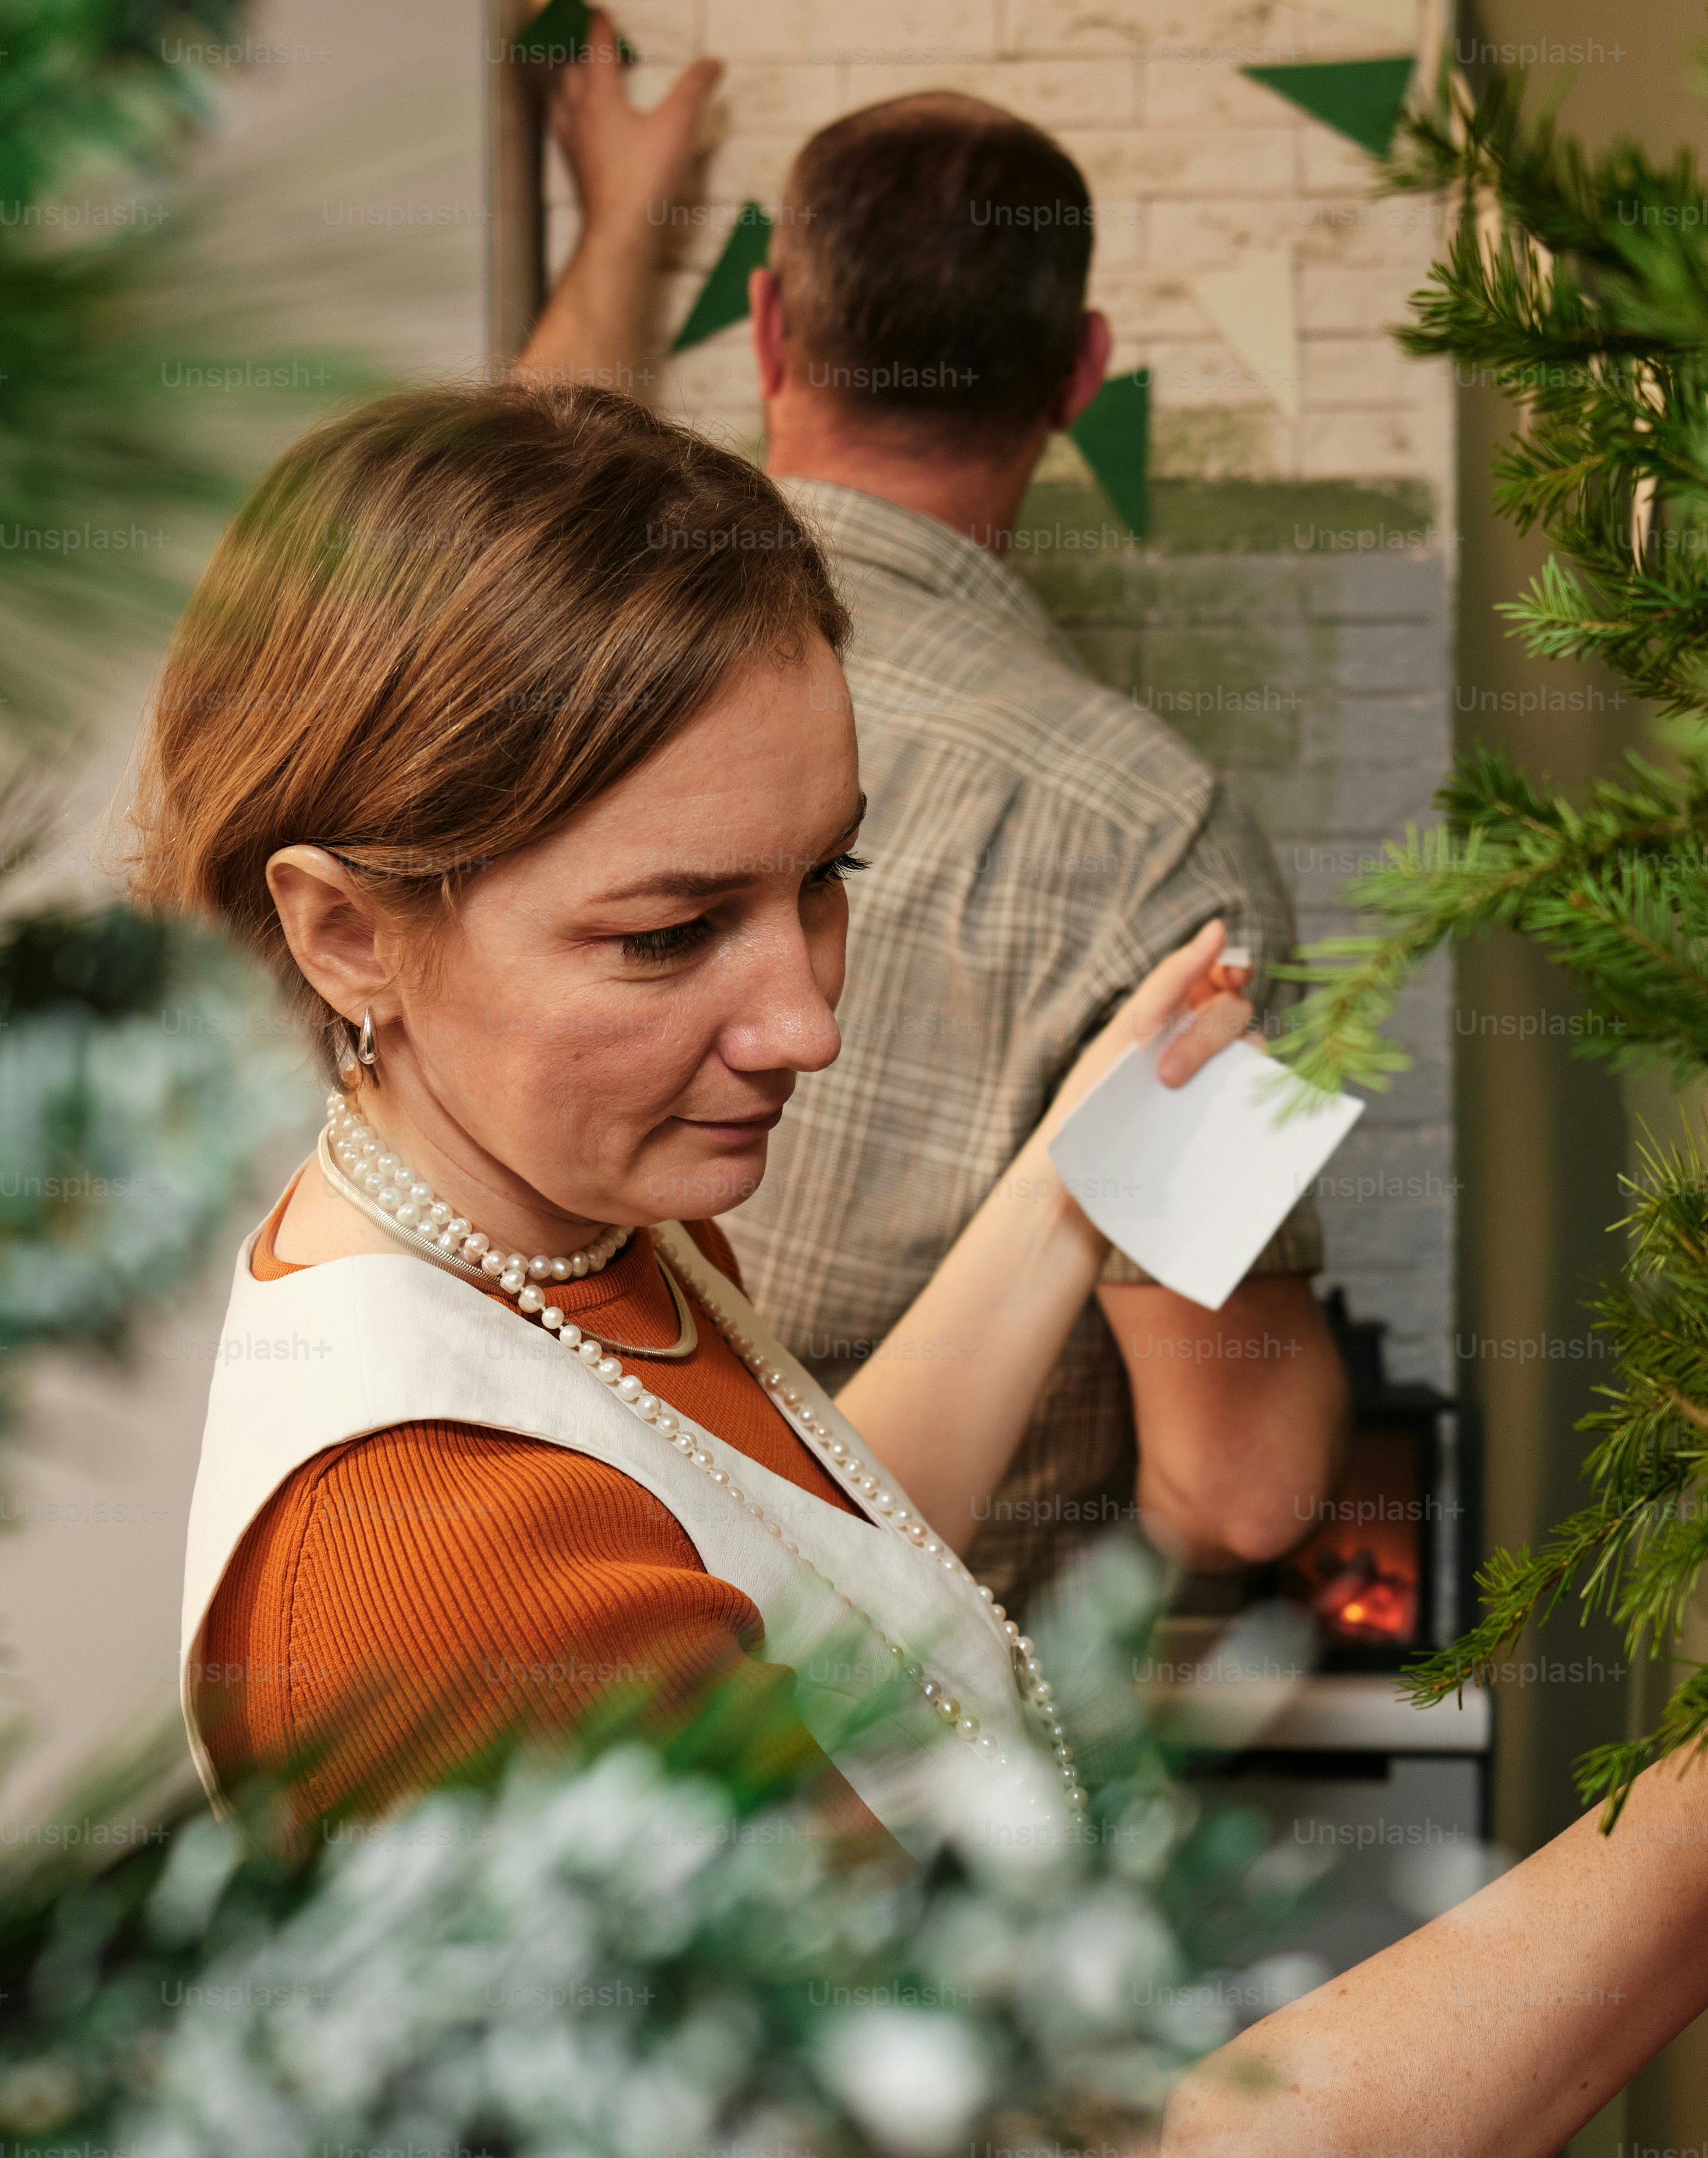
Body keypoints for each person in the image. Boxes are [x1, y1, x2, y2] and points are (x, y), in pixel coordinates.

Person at [144, 380, 1708, 2156]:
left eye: (823, 880)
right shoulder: (441, 1555)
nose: (803, 1020)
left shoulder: (548, 1224)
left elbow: (787, 1544)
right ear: (348, 931)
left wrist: (1066, 1185)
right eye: (671, 933)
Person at [517, 36, 1343, 1616]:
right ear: (1082, 374)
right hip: (920, 1722)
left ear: (772, 325)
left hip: (569, 1638)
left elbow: (512, 467)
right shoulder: (1159, 841)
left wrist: (621, 224)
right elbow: (1242, 1492)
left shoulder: (549, 650)